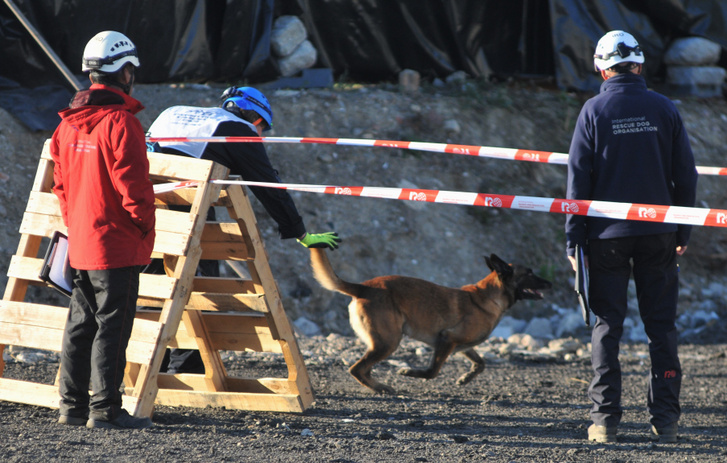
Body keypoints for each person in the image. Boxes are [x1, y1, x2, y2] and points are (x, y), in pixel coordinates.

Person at [146, 86, 341, 374]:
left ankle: (147, 363)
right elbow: (269, 187)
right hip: (190, 210)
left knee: (150, 286)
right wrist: (299, 232)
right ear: (255, 117)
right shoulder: (239, 130)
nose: (260, 135)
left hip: (146, 207)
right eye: (262, 128)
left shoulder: (174, 112)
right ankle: (185, 369)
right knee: (200, 286)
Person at [565, 30, 698, 444]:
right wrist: (683, 229)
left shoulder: (593, 110)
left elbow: (578, 180)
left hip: (605, 236)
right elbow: (686, 175)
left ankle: (605, 421)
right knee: (662, 327)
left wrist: (573, 240)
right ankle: (666, 422)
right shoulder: (664, 108)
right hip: (659, 233)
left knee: (607, 327)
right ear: (639, 66)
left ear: (600, 68)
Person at [51, 31, 156, 429]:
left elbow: (61, 186)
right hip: (116, 244)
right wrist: (144, 228)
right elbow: (135, 190)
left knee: (80, 323)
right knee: (112, 326)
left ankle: (72, 408)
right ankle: (106, 410)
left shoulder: (66, 125)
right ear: (125, 71)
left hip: (81, 241)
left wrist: (77, 224)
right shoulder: (121, 123)